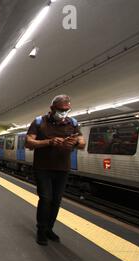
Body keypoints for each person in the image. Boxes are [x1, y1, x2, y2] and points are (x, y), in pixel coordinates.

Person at [25, 95, 86, 246]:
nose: (64, 112)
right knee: (46, 199)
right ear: (52, 109)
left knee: (56, 201)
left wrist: (75, 142)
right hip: (43, 167)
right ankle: (41, 230)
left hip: (62, 168)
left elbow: (82, 143)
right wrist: (49, 142)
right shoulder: (39, 122)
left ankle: (49, 229)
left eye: (67, 110)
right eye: (61, 110)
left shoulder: (73, 123)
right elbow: (28, 142)